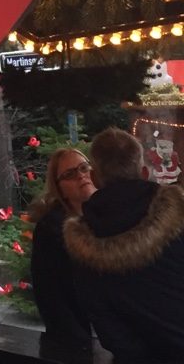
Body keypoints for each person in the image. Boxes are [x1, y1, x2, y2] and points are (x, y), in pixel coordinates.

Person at [63, 127, 184, 364]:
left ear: (95, 178)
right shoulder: (179, 215)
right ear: (144, 171)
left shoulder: (84, 243)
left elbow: (106, 324)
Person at [29, 147, 95, 346]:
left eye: (84, 167)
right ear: (59, 188)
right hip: (77, 337)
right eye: (70, 174)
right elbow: (50, 295)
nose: (81, 176)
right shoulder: (51, 229)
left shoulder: (109, 215)